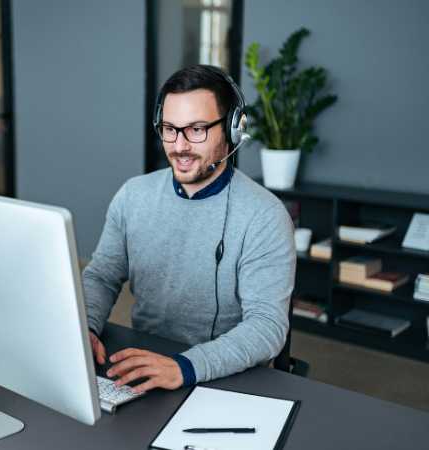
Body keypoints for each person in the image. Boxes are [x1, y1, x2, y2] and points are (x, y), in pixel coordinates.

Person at [83, 64, 296, 393]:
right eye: (170, 128)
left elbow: (267, 325)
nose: (179, 145)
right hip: (146, 363)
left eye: (196, 129)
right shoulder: (133, 195)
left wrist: (186, 367)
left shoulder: (264, 215)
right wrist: (86, 326)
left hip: (226, 375)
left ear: (231, 129)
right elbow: (101, 275)